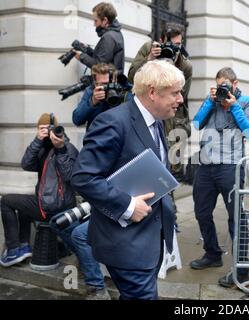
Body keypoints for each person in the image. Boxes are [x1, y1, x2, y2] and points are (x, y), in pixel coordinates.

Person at [71, 60, 185, 300]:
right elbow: (83, 177)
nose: (181, 99)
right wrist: (128, 205)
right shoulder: (113, 121)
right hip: (126, 244)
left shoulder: (157, 122)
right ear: (152, 92)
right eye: (175, 93)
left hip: (150, 239)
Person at [190, 67, 249, 288]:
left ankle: (242, 267)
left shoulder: (245, 101)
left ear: (235, 84)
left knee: (236, 216)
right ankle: (212, 254)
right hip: (206, 165)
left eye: (226, 85)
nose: (223, 89)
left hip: (231, 166)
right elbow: (196, 124)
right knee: (201, 211)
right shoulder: (212, 100)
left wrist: (233, 106)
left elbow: (248, 131)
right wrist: (210, 101)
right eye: (220, 85)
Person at [1, 114, 78, 267]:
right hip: (47, 203)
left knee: (5, 201)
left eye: (48, 128)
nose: (45, 131)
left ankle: (12, 249)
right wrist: (37, 141)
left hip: (57, 207)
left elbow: (70, 176)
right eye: (41, 129)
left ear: (56, 130)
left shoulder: (68, 148)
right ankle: (23, 246)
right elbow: (26, 165)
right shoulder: (43, 148)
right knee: (23, 205)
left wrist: (60, 149)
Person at [128, 22, 193, 181]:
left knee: (168, 166)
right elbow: (132, 77)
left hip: (171, 119)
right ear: (162, 40)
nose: (175, 48)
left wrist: (176, 63)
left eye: (179, 44)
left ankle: (168, 199)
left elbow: (180, 96)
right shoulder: (149, 48)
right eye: (171, 44)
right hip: (147, 112)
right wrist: (149, 60)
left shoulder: (184, 63)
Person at [72, 63, 133, 130]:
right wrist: (92, 102)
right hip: (97, 136)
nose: (109, 87)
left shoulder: (124, 92)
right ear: (95, 83)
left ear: (115, 80)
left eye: (110, 83)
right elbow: (77, 120)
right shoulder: (91, 91)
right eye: (104, 84)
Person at [74, 2, 125, 74]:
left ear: (105, 20)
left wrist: (81, 56)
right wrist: (88, 50)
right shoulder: (115, 34)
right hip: (111, 81)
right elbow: (104, 58)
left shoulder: (109, 37)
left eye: (96, 21)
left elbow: (100, 66)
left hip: (106, 82)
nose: (94, 24)